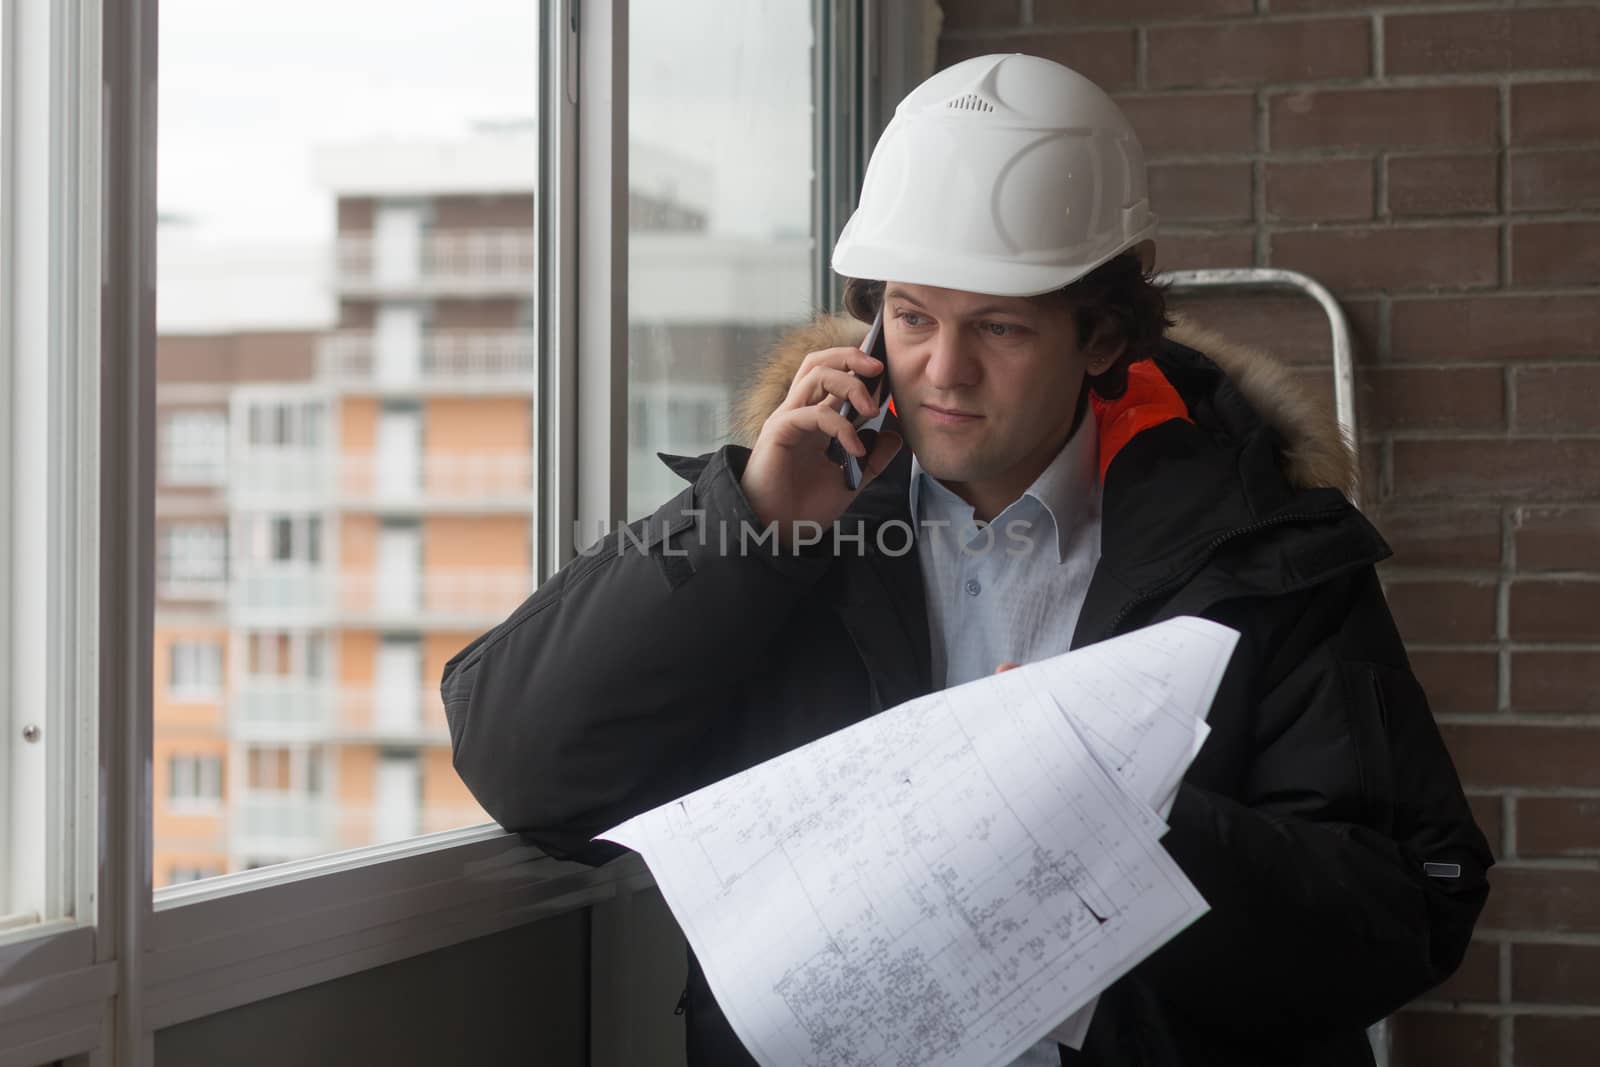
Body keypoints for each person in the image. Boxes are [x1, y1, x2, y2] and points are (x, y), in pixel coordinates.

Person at [442, 54, 1491, 1067]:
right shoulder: (783, 531)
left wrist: (1116, 816)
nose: (942, 370)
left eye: (998, 326)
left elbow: (1408, 903)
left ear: (1099, 336)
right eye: (910, 315)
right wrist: (749, 524)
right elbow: (525, 769)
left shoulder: (1264, 544)